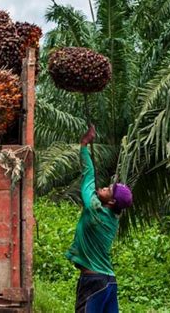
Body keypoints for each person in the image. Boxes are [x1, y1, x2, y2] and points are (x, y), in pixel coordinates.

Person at [66, 125, 133, 312]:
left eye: (108, 190)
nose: (103, 188)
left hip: (93, 282)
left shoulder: (95, 210)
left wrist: (84, 145)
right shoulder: (111, 219)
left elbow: (88, 176)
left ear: (111, 201)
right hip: (109, 283)